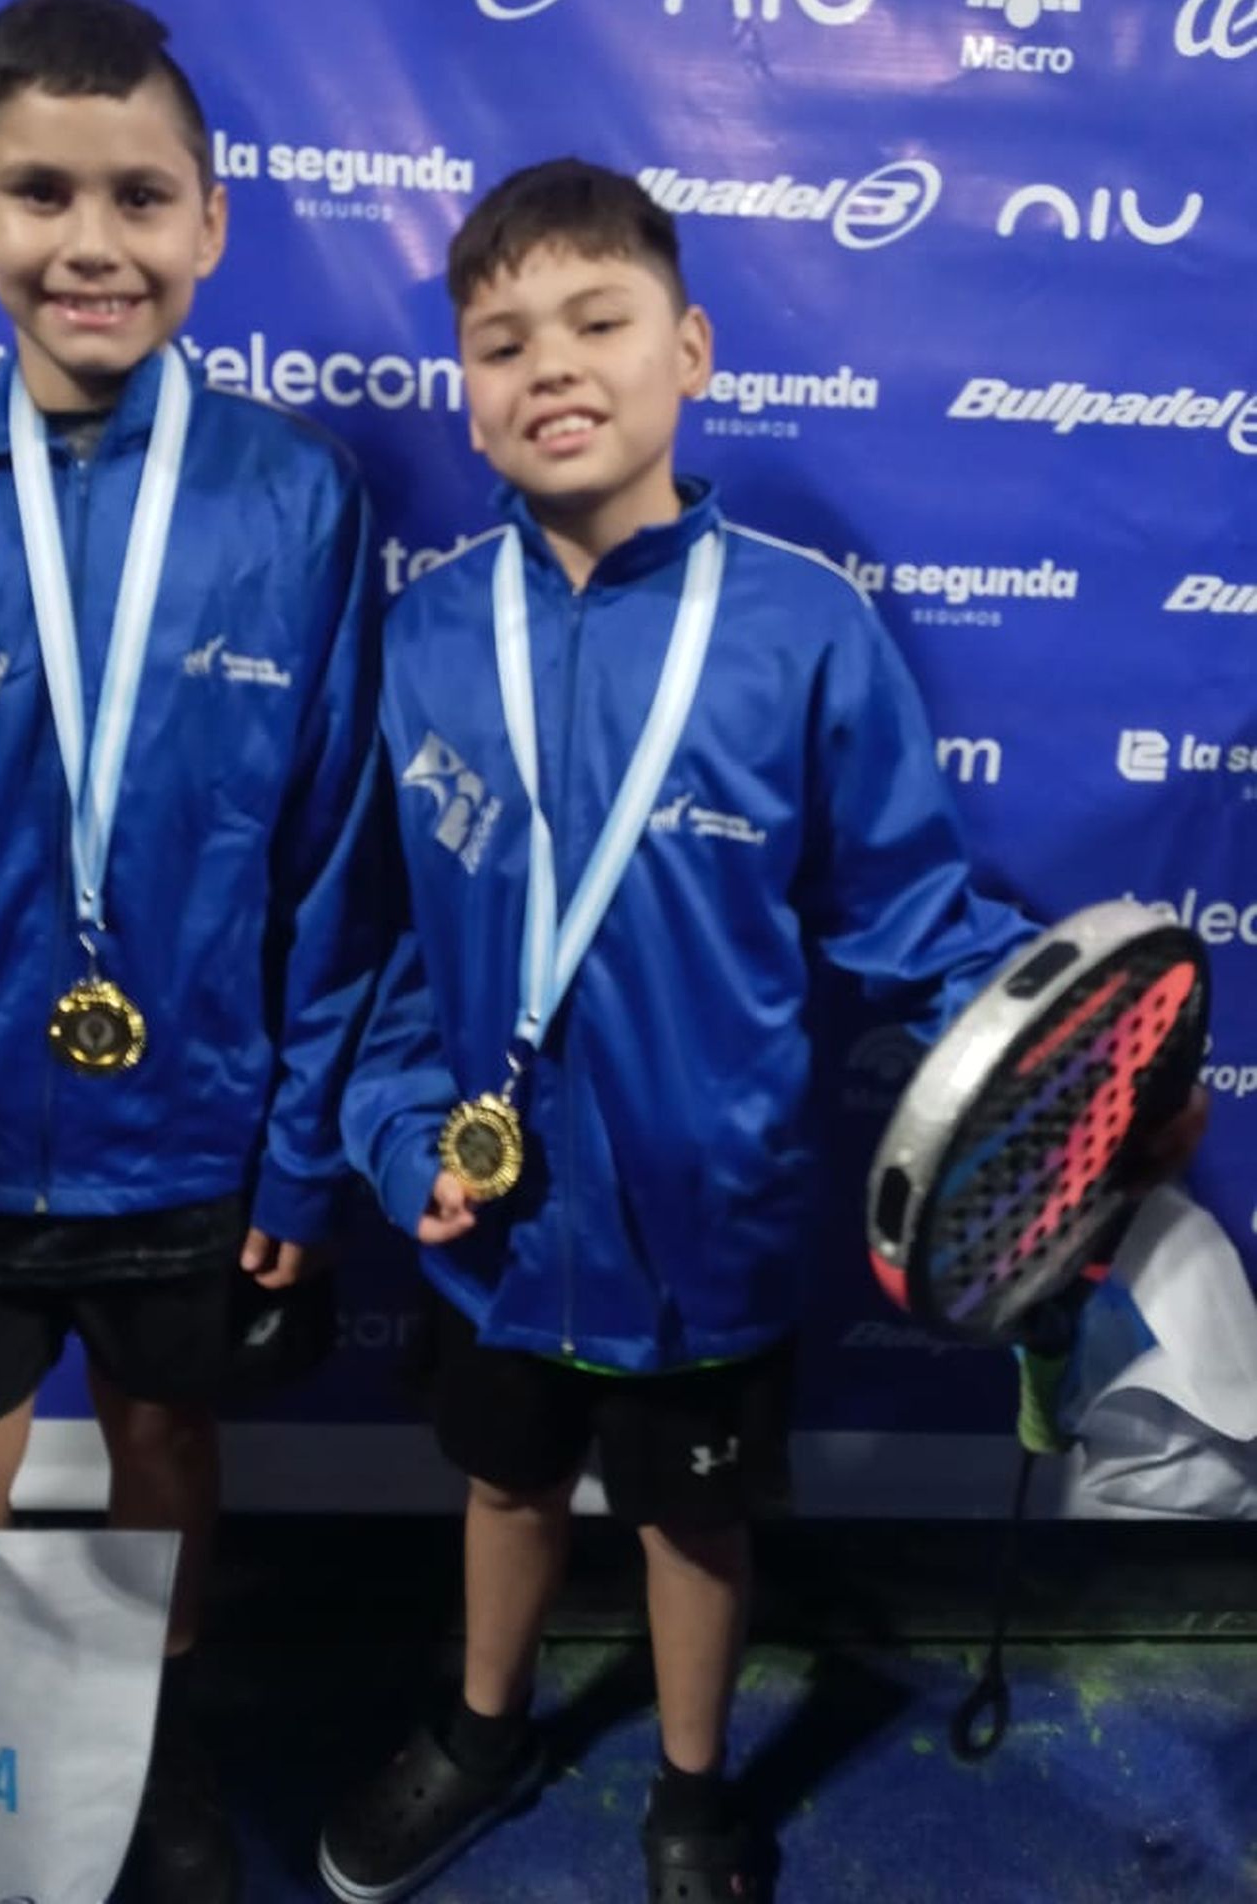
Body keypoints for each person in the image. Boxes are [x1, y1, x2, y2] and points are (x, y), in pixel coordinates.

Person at [324, 157, 1041, 1904]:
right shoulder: (421, 640)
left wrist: (1059, 1059)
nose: (550, 366)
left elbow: (912, 921)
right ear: (464, 396)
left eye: (597, 320)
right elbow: (378, 951)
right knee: (501, 1487)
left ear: (693, 348)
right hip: (492, 1224)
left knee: (691, 1515)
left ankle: (695, 1795)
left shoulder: (801, 631)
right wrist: (407, 1136)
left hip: (705, 1230)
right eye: (499, 341)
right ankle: (485, 1728)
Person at [0, 0, 379, 1903]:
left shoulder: (294, 498)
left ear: (210, 219)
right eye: (41, 195)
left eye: (138, 198)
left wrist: (298, 1137)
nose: (90, 245)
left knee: (165, 1442)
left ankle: (158, 1741)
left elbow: (336, 847)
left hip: (193, 1124)